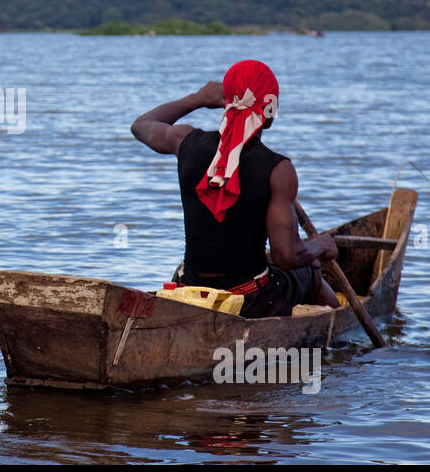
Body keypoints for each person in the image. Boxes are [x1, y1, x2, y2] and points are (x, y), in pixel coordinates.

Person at [130, 59, 341, 318]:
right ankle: (339, 324)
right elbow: (286, 256)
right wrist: (320, 246)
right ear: (271, 109)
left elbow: (140, 126)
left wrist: (196, 98)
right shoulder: (278, 170)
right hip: (249, 298)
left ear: (224, 103)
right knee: (309, 270)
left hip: (191, 287)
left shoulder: (185, 141)